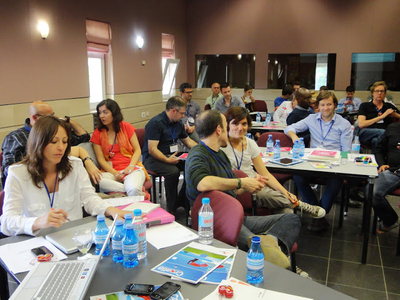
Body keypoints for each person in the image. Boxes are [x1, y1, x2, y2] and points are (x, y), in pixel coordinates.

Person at [185, 109, 301, 269]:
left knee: (291, 219)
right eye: (226, 127)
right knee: (257, 244)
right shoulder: (198, 154)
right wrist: (241, 182)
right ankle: (270, 254)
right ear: (219, 130)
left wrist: (250, 185)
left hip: (235, 216)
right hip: (217, 221)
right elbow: (203, 183)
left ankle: (272, 245)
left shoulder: (220, 155)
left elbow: (232, 192)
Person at [0, 116, 124, 236]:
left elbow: (90, 199)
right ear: (38, 142)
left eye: (64, 142)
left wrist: (111, 210)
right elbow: (7, 222)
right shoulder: (18, 173)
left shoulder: (75, 166)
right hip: (38, 243)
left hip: (73, 238)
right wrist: (38, 222)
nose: (61, 148)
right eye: (54, 142)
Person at [222, 106, 325, 218]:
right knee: (270, 196)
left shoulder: (250, 143)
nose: (240, 128)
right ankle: (299, 205)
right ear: (227, 124)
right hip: (238, 188)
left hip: (257, 183)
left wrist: (286, 193)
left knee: (286, 211)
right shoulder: (221, 145)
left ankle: (277, 233)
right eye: (235, 124)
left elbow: (265, 173)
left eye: (244, 124)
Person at [285, 91, 352, 231]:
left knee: (336, 181)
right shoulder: (311, 119)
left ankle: (317, 214)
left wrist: (342, 165)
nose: (325, 108)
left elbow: (346, 151)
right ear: (318, 106)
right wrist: (294, 137)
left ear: (334, 105)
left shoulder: (344, 124)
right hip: (313, 162)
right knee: (298, 176)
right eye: (322, 105)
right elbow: (290, 128)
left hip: (334, 164)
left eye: (329, 104)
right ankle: (317, 212)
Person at [1, 101, 90, 183]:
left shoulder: (55, 132)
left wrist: (68, 120)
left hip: (57, 178)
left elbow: (84, 137)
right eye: (49, 117)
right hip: (30, 181)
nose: (60, 147)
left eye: (53, 115)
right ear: (35, 117)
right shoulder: (15, 137)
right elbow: (9, 170)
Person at [142, 96, 197, 213]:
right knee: (173, 172)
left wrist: (202, 149)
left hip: (172, 154)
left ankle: (182, 199)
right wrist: (167, 160)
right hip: (152, 158)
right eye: (182, 113)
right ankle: (171, 208)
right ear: (173, 110)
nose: (183, 116)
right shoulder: (155, 124)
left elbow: (188, 141)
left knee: (192, 164)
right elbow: (152, 149)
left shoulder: (178, 124)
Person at [91, 99, 149, 196]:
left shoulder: (126, 127)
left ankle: (133, 191)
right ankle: (131, 190)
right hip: (110, 171)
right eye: (100, 113)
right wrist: (115, 173)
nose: (101, 116)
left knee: (134, 189)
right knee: (96, 181)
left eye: (105, 112)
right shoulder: (97, 133)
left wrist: (131, 166)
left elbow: (137, 150)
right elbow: (101, 160)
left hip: (131, 168)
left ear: (114, 113)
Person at [357, 81, 400, 154]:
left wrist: (395, 115)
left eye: (382, 91)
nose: (379, 93)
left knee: (376, 141)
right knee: (383, 132)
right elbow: (361, 124)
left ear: (385, 94)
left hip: (382, 136)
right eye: (377, 91)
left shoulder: (389, 106)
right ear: (372, 93)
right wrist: (382, 116)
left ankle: (376, 161)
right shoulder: (364, 105)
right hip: (366, 132)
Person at [372, 122, 400, 234]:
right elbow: (379, 149)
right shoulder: (393, 127)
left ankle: (388, 220)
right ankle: (390, 219)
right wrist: (382, 163)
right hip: (393, 171)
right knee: (371, 191)